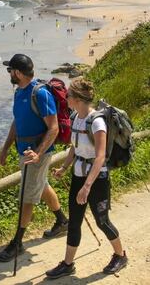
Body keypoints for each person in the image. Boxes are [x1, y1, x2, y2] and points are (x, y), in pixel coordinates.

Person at [46, 78, 127, 279]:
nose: (66, 98)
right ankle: (67, 264)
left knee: (102, 221)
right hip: (78, 176)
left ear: (79, 99)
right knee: (74, 221)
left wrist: (87, 186)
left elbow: (100, 156)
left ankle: (120, 255)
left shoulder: (97, 122)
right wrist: (64, 168)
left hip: (96, 180)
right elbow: (74, 147)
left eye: (69, 95)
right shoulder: (75, 117)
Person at [0, 54, 68, 262]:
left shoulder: (41, 94)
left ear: (18, 73)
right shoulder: (19, 92)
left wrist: (38, 153)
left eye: (10, 70)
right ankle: (62, 221)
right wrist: (5, 148)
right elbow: (17, 122)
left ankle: (17, 242)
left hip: (37, 154)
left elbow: (53, 128)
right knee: (41, 185)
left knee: (27, 197)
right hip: (24, 152)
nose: (9, 73)